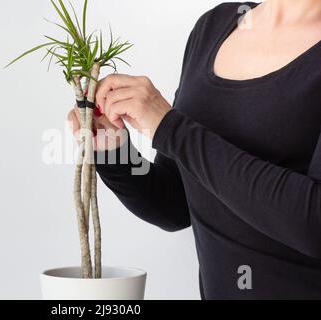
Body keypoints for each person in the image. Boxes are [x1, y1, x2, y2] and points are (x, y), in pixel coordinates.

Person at [67, 1, 321, 299]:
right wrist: (115, 152)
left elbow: (314, 223)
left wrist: (170, 128)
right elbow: (176, 204)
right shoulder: (213, 27)